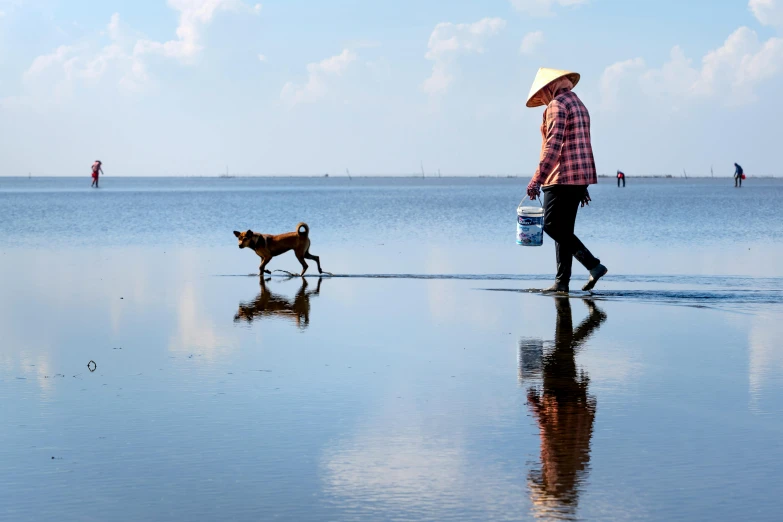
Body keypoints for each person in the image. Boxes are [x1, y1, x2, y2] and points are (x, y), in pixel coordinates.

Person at [525, 68, 608, 293]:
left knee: (551, 225)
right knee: (564, 230)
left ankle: (593, 265)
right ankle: (562, 283)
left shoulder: (557, 105)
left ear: (548, 87)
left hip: (560, 177)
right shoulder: (579, 104)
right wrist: (583, 186)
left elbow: (553, 146)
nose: (542, 98)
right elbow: (580, 145)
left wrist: (536, 180)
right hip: (579, 178)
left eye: (542, 92)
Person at [525, 297, 606, 517]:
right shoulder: (562, 467)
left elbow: (582, 430)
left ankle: (592, 319)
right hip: (560, 399)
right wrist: (534, 404)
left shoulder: (579, 466)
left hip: (570, 397)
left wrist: (587, 400)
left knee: (561, 352)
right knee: (559, 352)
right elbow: (549, 432)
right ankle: (594, 319)